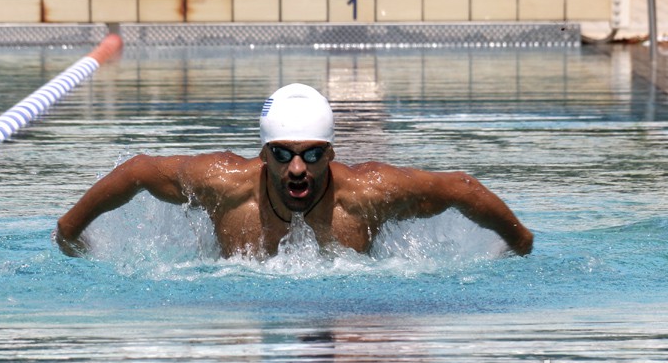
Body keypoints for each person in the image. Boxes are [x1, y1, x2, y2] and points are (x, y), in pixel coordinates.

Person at [55, 83, 533, 258]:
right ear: (263, 155)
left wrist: (519, 244)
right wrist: (69, 231)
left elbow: (459, 188)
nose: (298, 168)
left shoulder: (367, 192)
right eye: (283, 154)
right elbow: (138, 170)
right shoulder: (223, 184)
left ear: (331, 152)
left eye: (313, 154)